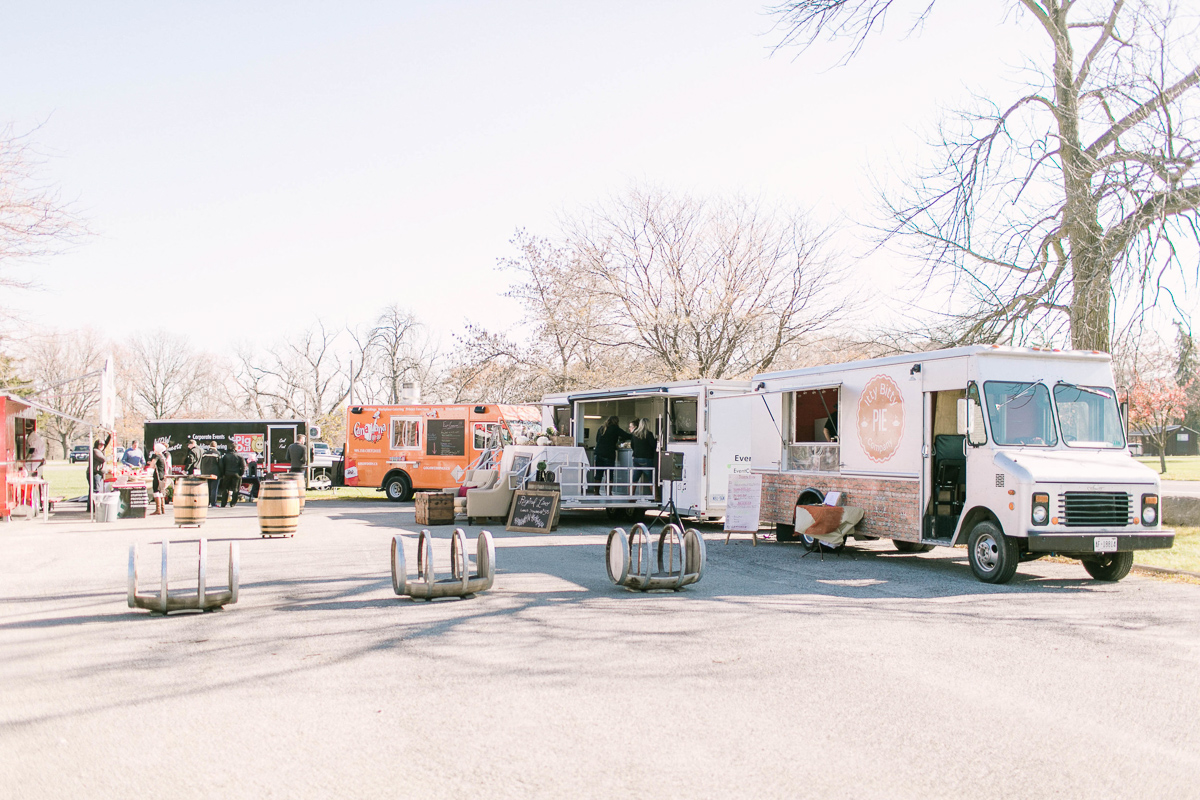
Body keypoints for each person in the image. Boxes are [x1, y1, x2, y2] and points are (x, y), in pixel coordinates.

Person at [590, 416, 631, 494]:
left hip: (599, 453)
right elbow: (627, 436)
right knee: (609, 474)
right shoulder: (615, 428)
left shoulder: (601, 428)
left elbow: (597, 439)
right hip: (609, 454)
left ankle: (596, 492)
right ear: (616, 422)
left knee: (598, 474)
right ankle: (608, 493)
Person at [630, 418, 657, 496]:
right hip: (647, 459)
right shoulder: (648, 434)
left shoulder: (635, 434)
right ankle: (655, 497)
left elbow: (632, 445)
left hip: (636, 459)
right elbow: (653, 445)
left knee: (634, 479)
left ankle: (631, 497)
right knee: (651, 479)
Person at [88, 433, 112, 511]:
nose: (102, 446)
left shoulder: (99, 450)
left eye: (102, 445)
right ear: (97, 445)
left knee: (94, 489)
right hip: (94, 473)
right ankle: (92, 507)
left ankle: (91, 506)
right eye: (100, 445)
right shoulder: (95, 451)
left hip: (98, 473)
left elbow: (106, 444)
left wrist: (110, 436)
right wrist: (110, 457)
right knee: (95, 490)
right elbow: (103, 459)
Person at [146, 442, 169, 515]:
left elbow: (152, 464)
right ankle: (163, 508)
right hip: (162, 475)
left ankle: (158, 509)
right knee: (161, 491)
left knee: (156, 490)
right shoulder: (163, 456)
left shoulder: (157, 456)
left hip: (157, 475)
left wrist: (150, 464)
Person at [200, 442, 221, 507]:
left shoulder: (204, 453)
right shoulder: (217, 453)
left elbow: (201, 464)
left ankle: (207, 502)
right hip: (215, 473)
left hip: (206, 474)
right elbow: (220, 464)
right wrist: (221, 473)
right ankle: (213, 503)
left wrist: (202, 472)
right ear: (216, 446)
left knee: (207, 489)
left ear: (210, 446)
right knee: (214, 489)